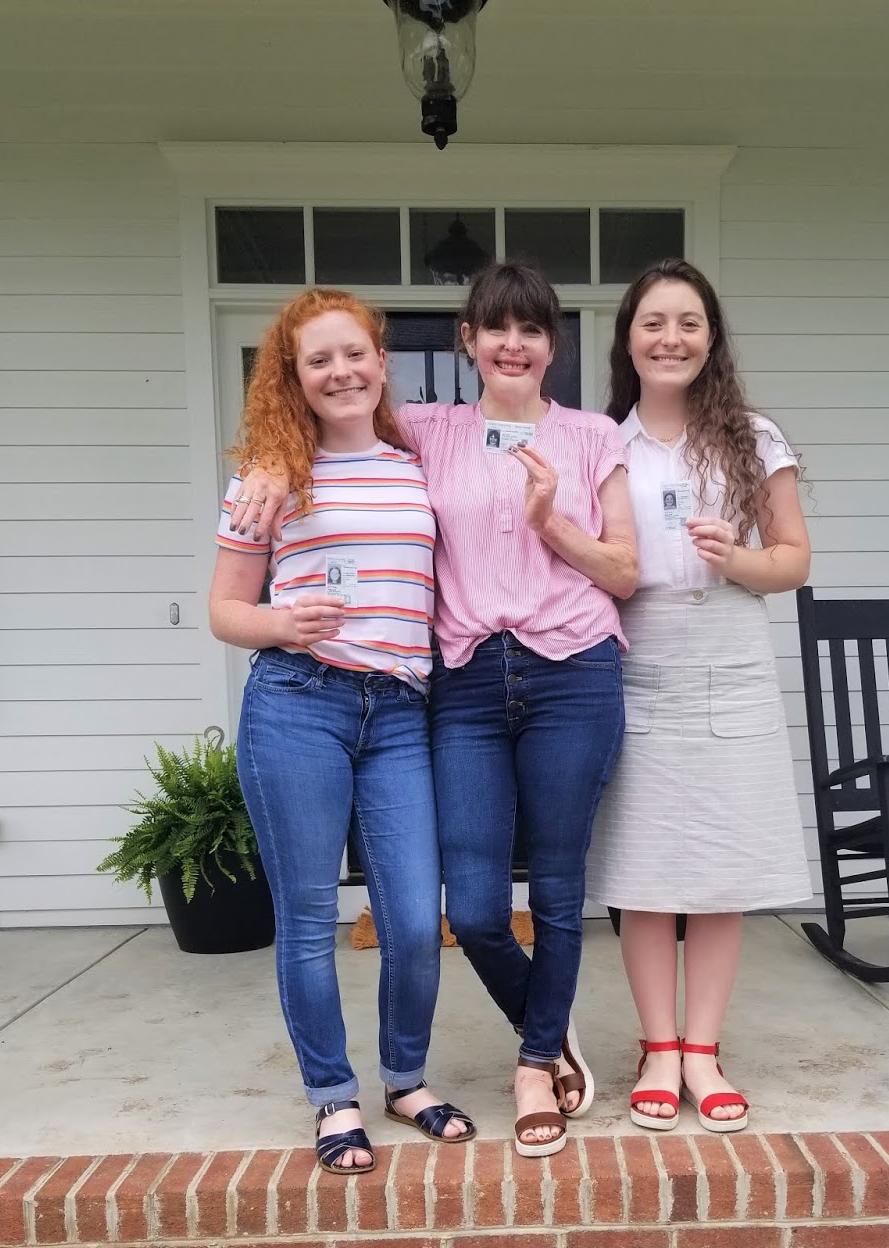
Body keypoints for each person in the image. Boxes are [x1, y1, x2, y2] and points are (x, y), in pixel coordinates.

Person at [235, 261, 638, 1158]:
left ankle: (533, 1063)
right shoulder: (426, 429)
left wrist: (551, 521)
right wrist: (266, 457)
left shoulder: (592, 435)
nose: (513, 344)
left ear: (553, 345)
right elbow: (328, 420)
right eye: (496, 328)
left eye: (531, 329)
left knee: (555, 890)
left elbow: (624, 572)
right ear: (467, 342)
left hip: (569, 667)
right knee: (477, 909)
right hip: (461, 682)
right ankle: (543, 1023)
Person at [210, 288, 474, 1174]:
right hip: (298, 702)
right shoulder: (267, 477)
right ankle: (333, 1095)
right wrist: (281, 623)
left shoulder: (417, 466)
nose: (340, 372)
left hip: (398, 713)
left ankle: (405, 1080)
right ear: (293, 377)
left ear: (381, 362)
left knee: (414, 919)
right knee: (309, 915)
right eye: (317, 360)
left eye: (353, 353)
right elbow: (225, 611)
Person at [584, 259, 812, 1133]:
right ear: (628, 339)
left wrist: (735, 557)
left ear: (712, 339)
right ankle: (658, 1047)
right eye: (653, 323)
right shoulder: (602, 443)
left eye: (688, 322)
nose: (670, 338)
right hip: (636, 654)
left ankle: (704, 1051)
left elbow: (793, 560)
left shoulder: (753, 438)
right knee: (644, 870)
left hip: (730, 650)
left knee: (720, 871)